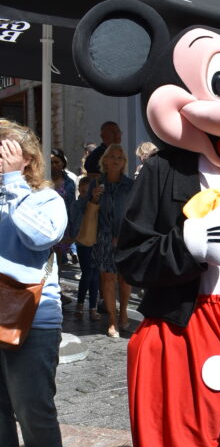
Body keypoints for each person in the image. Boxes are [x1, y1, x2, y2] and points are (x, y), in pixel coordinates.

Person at [0, 121, 70, 447]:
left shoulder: (47, 198)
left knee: (33, 408)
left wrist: (12, 185)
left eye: (5, 152)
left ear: (26, 159)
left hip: (33, 317)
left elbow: (41, 238)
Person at [91, 143, 133, 338]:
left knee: (124, 279)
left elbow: (134, 213)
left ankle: (123, 311)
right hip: (104, 237)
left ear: (123, 162)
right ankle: (112, 320)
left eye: (120, 157)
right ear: (105, 161)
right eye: (112, 157)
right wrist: (93, 198)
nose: (116, 160)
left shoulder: (130, 185)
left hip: (125, 237)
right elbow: (87, 210)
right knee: (107, 279)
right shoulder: (97, 184)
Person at [68, 175, 101, 321]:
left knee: (95, 275)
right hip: (82, 242)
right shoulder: (76, 205)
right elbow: (76, 225)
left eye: (87, 192)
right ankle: (81, 304)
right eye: (82, 191)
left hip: (97, 242)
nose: (85, 194)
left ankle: (92, 307)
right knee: (88, 273)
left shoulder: (99, 203)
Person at [50, 148, 76, 270]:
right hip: (45, 224)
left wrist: (72, 232)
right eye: (51, 162)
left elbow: (72, 208)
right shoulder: (41, 181)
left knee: (58, 264)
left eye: (57, 162)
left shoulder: (69, 183)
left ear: (63, 164)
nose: (54, 165)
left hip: (62, 226)